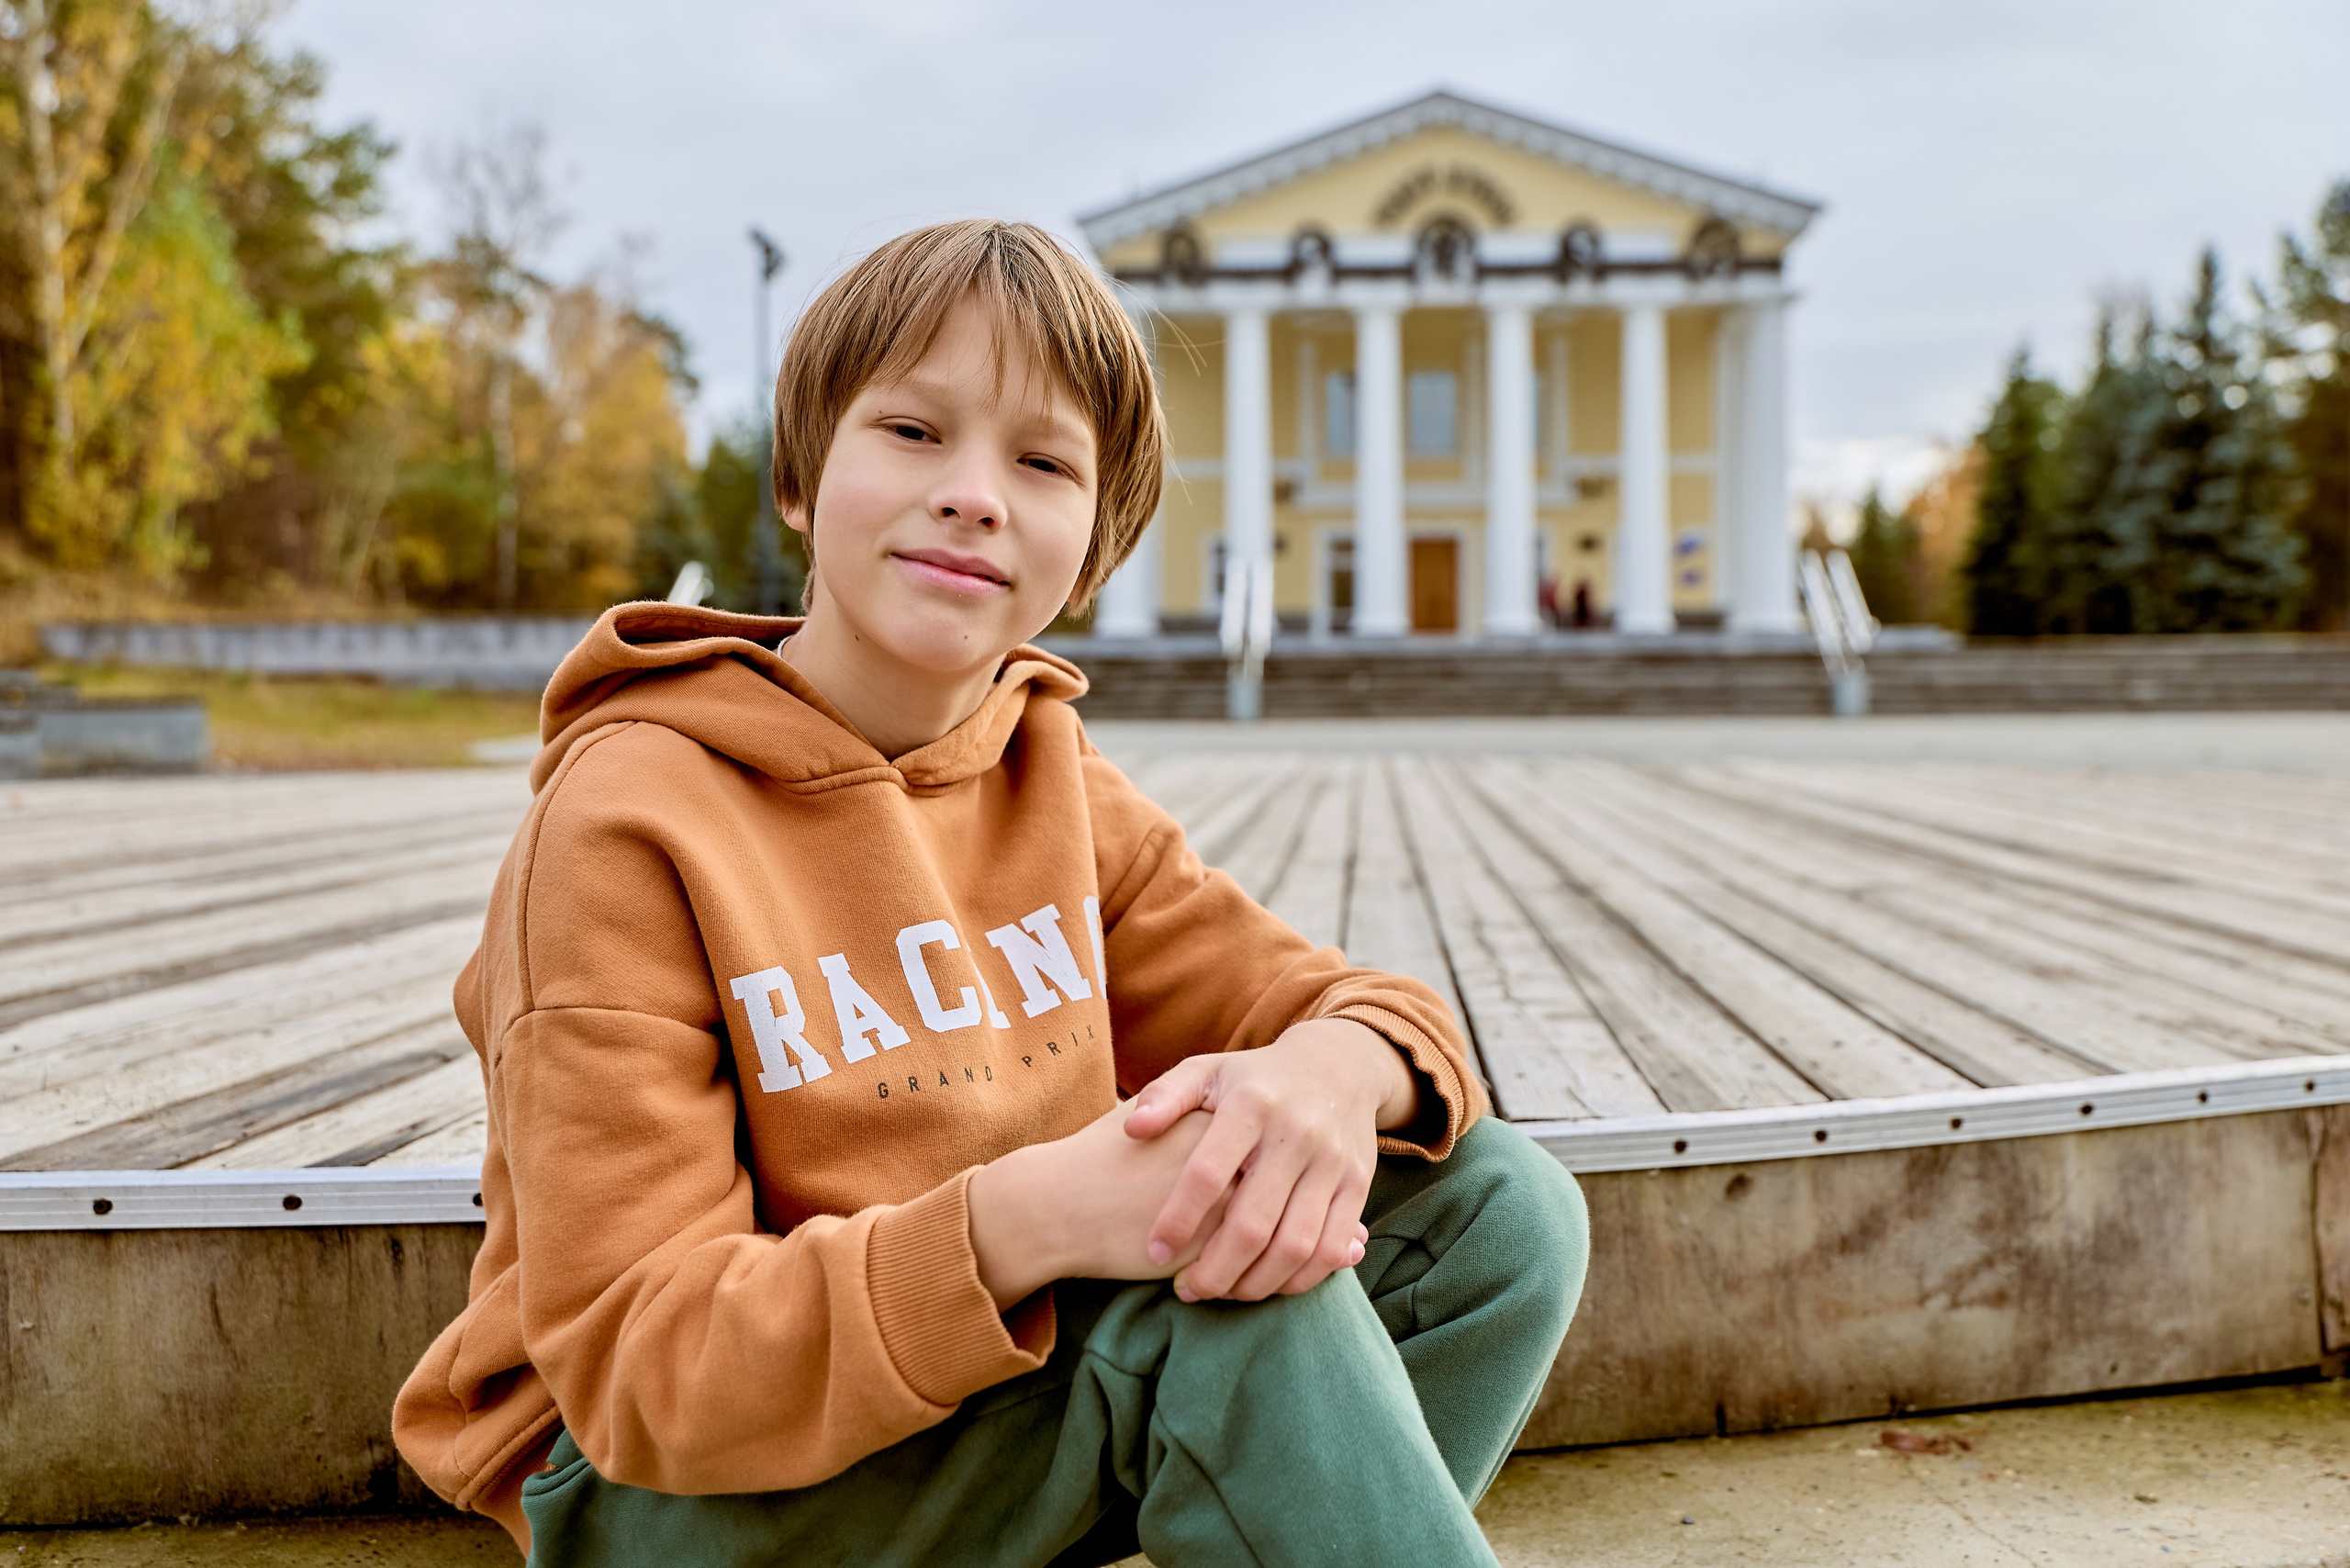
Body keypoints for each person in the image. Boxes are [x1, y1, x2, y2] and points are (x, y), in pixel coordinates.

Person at [393, 219, 1588, 1568]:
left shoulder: (1050, 776)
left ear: (1095, 544)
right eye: (912, 432)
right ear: (800, 477)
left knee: (1500, 1212)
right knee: (1231, 1300)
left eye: (1041, 460)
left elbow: (1349, 1006)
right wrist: (1039, 1216)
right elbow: (643, 1363)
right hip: (662, 1478)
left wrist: (1331, 1068)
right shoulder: (629, 817)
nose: (973, 494)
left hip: (973, 1396)